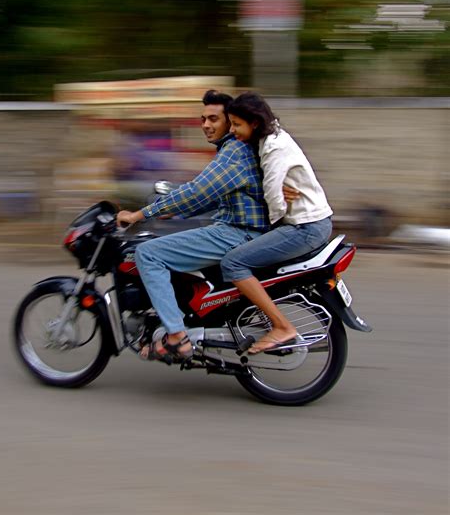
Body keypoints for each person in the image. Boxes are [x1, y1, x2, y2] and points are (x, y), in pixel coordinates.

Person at [116, 90, 269, 362]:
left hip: (236, 233)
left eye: (214, 119)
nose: (206, 125)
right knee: (173, 241)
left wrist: (141, 214)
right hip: (238, 229)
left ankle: (176, 335)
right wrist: (170, 213)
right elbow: (210, 198)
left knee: (148, 254)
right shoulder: (232, 151)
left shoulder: (233, 151)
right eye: (203, 119)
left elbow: (197, 192)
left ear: (231, 121)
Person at [220, 92, 333, 354]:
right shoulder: (273, 137)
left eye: (237, 124)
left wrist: (270, 224)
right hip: (312, 223)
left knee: (233, 262)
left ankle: (281, 326)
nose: (233, 130)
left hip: (305, 228)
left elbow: (273, 197)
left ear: (255, 123)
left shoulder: (273, 148)